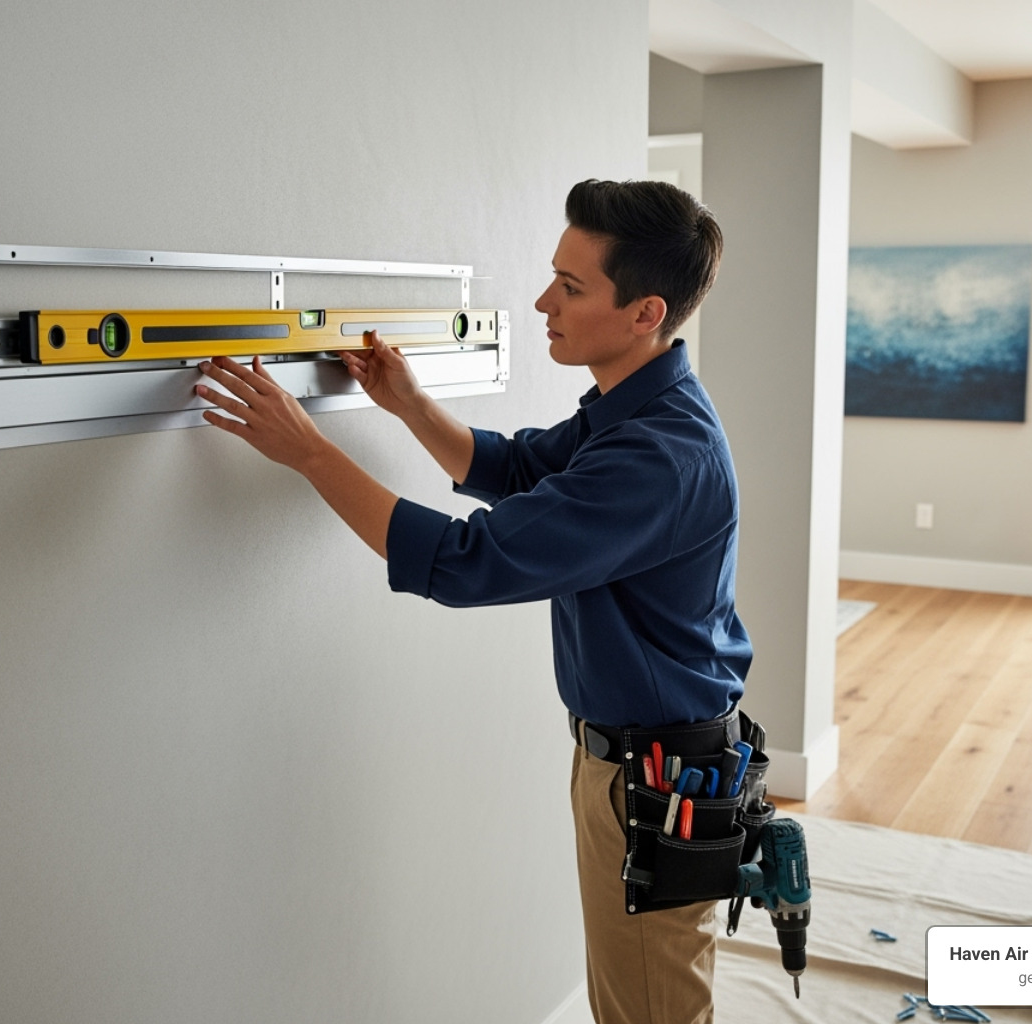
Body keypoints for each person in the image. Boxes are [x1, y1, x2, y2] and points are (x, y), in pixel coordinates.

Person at [195, 179, 751, 1024]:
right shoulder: (637, 407)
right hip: (634, 763)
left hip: (655, 777)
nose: (542, 302)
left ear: (645, 312)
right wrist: (410, 405)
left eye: (570, 287)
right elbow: (527, 470)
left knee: (651, 1010)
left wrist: (310, 453)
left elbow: (464, 563)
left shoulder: (659, 457)